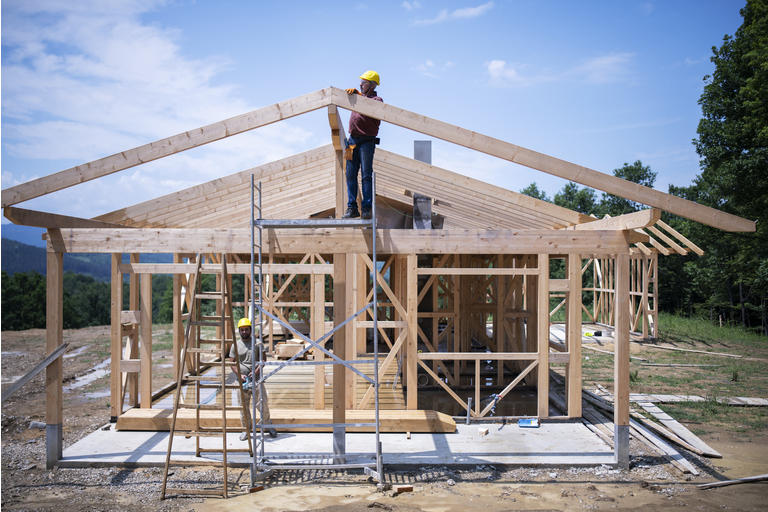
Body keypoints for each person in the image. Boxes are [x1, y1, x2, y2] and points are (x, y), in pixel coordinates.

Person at [343, 70, 383, 220]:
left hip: (367, 141)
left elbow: (372, 107)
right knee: (350, 173)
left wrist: (359, 97)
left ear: (372, 85)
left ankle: (366, 208)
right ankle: (352, 207)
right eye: (361, 82)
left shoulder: (377, 100)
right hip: (352, 141)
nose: (360, 84)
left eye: (364, 82)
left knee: (366, 175)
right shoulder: (358, 98)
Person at [231, 317, 277, 439]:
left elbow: (263, 360)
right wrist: (239, 375)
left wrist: (256, 371)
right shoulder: (235, 345)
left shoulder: (257, 343)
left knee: (262, 404)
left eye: (246, 329)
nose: (244, 332)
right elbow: (232, 363)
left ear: (250, 330)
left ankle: (267, 425)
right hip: (241, 381)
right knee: (243, 406)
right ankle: (246, 429)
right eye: (242, 330)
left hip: (256, 380)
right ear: (239, 331)